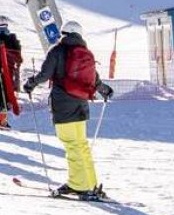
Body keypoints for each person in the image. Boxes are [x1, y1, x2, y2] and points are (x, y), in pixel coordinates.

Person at [23, 20, 112, 199]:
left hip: (63, 104)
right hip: (81, 104)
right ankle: (89, 183)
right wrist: (104, 90)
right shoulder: (85, 53)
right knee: (81, 145)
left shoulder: (57, 51)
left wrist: (31, 83)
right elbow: (94, 79)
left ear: (64, 34)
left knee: (72, 145)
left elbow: (45, 74)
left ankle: (80, 185)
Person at [0, 15, 23, 129]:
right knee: (8, 84)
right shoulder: (12, 37)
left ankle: (0, 102)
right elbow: (17, 51)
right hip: (9, 66)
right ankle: (6, 102)